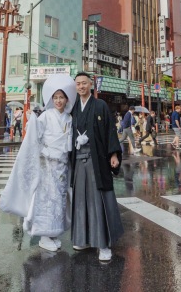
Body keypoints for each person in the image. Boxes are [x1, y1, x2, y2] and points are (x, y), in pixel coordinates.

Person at [0, 74, 76, 252]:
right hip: (47, 164)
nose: (58, 101)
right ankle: (43, 235)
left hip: (62, 166)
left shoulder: (69, 119)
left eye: (61, 97)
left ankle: (53, 233)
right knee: (46, 201)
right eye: (55, 97)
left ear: (66, 99)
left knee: (59, 200)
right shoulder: (45, 116)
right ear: (51, 99)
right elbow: (35, 136)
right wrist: (32, 121)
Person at [69, 72, 124, 262]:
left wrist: (114, 154)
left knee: (97, 200)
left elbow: (110, 130)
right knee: (80, 200)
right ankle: (83, 239)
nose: (81, 87)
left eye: (84, 83)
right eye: (78, 84)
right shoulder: (73, 107)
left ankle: (103, 244)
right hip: (78, 159)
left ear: (91, 85)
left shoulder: (100, 105)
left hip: (96, 159)